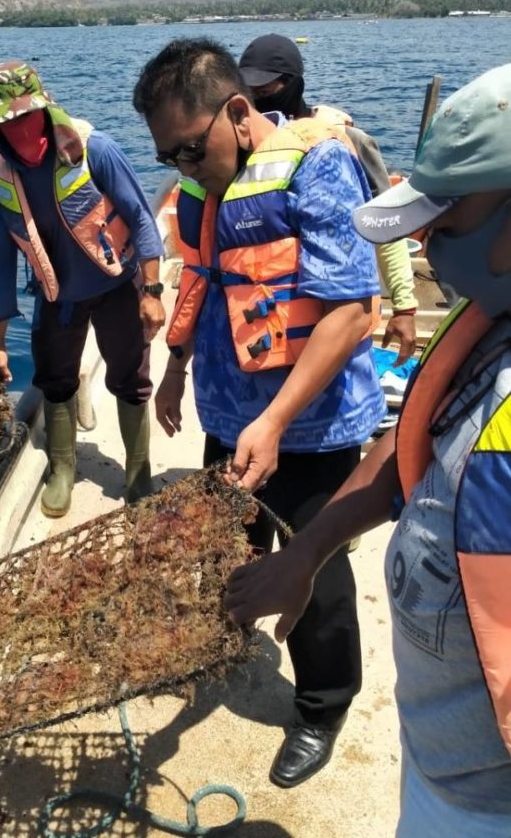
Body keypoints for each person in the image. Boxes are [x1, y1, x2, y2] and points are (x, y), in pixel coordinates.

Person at [225, 64, 511, 834]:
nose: (424, 245)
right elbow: (414, 431)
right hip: (440, 759)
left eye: (444, 225)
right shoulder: (488, 321)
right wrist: (305, 551)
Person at [132, 38, 386, 788]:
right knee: (230, 544)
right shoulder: (206, 190)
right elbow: (201, 282)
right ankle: (230, 633)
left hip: (309, 427)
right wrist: (176, 371)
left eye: (189, 147)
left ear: (238, 112)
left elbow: (350, 313)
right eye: (167, 156)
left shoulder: (318, 166)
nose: (181, 166)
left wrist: (273, 421)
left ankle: (322, 704)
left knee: (316, 569)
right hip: (229, 415)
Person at [0, 60, 165, 516]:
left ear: (46, 107)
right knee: (55, 381)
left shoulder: (94, 151)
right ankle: (63, 468)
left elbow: (141, 217)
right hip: (56, 298)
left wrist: (154, 291)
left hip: (116, 284)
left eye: (28, 114)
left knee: (130, 377)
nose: (22, 128)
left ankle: (137, 470)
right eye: (9, 121)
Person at [239, 33, 418, 365]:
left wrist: (404, 306)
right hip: (271, 318)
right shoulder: (245, 147)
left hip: (339, 311)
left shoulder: (346, 140)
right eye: (250, 93)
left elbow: (386, 225)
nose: (257, 101)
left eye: (265, 91)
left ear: (294, 84)